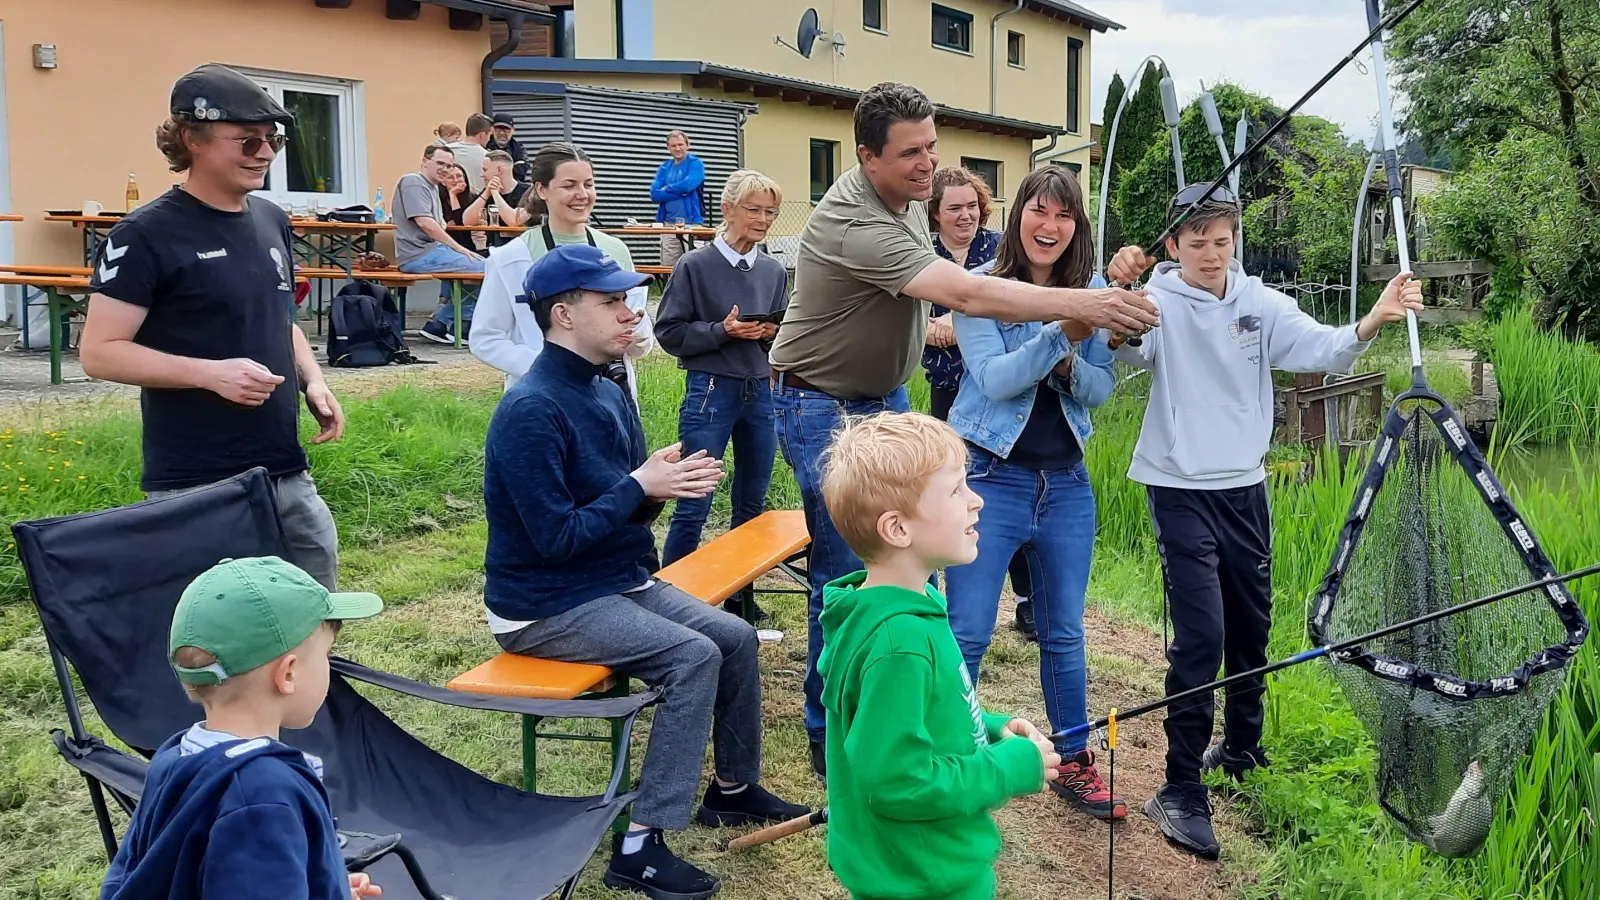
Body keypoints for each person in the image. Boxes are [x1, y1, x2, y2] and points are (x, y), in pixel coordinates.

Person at [767, 81, 1159, 779]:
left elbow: (960, 303)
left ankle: (910, 724)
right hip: (820, 403)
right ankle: (837, 745)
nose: (929, 164)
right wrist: (1084, 306)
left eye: (933, 147)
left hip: (884, 395)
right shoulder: (855, 220)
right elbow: (972, 291)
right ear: (866, 157)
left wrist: (1098, 293)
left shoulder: (908, 203)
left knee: (906, 573)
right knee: (848, 575)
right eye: (912, 152)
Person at [1106, 185, 1426, 860]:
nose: (1212, 256)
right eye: (1197, 245)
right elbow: (1121, 347)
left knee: (1250, 632)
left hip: (1245, 489)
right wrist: (1117, 298)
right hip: (1178, 487)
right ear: (1173, 247)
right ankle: (1179, 785)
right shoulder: (1159, 301)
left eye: (1222, 242)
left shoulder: (1258, 302)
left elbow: (1323, 348)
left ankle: (1243, 749)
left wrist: (1374, 318)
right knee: (1201, 639)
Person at [483, 244, 810, 900]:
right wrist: (640, 484)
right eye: (611, 302)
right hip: (543, 604)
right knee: (692, 657)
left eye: (629, 299)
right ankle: (641, 843)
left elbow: (620, 507)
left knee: (736, 638)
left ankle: (733, 789)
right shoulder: (531, 409)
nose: (632, 313)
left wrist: (665, 486)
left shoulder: (604, 387)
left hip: (611, 581)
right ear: (563, 315)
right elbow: (553, 540)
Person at [81, 63, 346, 591]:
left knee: (317, 615)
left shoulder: (272, 218)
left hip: (285, 472)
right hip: (196, 483)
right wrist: (210, 374)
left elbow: (278, 317)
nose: (266, 154)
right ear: (191, 139)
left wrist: (312, 378)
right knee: (217, 650)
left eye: (275, 140)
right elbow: (100, 352)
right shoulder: (145, 234)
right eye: (248, 141)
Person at [817, 411, 1062, 900]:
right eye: (955, 491)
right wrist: (1010, 767)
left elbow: (915, 712)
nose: (976, 501)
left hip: (916, 867)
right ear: (897, 528)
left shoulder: (906, 605)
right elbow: (898, 782)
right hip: (923, 878)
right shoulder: (899, 642)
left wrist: (987, 727)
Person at [942, 165, 1121, 821]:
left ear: (1077, 226)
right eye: (1039, 212)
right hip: (989, 480)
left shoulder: (1094, 292)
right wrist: (1063, 331)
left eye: (1064, 216)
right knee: (965, 632)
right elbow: (995, 380)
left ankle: (1073, 763)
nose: (1050, 227)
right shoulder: (980, 288)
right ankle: (950, 761)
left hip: (1066, 485)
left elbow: (1100, 389)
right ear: (1018, 215)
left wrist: (1075, 348)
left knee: (1065, 632)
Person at [98, 556, 386, 900]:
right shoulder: (263, 795)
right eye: (326, 654)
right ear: (288, 674)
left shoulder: (174, 759)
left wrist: (328, 886)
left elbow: (127, 878)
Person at [653, 170, 787, 619]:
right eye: (754, 209)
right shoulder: (695, 266)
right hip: (710, 390)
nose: (764, 219)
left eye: (770, 212)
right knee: (695, 497)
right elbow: (668, 332)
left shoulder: (772, 270)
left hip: (760, 389)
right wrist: (721, 330)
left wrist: (769, 332)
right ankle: (673, 596)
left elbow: (780, 337)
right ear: (727, 210)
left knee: (753, 498)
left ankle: (740, 596)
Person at [924, 166, 1037, 642]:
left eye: (972, 206)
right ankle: (946, 597)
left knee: (1009, 495)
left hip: (1001, 394)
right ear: (935, 214)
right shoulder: (921, 255)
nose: (966, 215)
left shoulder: (999, 250)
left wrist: (959, 319)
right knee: (948, 494)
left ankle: (1028, 602)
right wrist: (949, 323)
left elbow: (1016, 305)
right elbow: (917, 327)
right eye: (955, 208)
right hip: (949, 391)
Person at [471, 142, 654, 397]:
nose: (582, 194)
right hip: (543, 399)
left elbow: (638, 343)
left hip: (612, 395)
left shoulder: (616, 251)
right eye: (569, 185)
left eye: (588, 184)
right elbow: (486, 338)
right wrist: (547, 367)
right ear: (541, 189)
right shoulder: (510, 258)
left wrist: (640, 333)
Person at [392, 143, 488, 345]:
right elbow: (426, 223)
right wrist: (460, 249)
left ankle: (443, 324)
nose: (445, 169)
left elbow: (441, 223)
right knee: (485, 268)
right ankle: (454, 324)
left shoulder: (433, 187)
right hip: (418, 254)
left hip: (431, 251)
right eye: (440, 163)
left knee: (485, 266)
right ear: (425, 161)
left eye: (450, 165)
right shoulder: (414, 182)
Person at [649, 130, 706, 268]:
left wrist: (666, 189)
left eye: (680, 144)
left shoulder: (695, 163)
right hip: (668, 223)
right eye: (673, 145)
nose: (677, 148)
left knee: (695, 264)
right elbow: (654, 194)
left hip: (691, 222)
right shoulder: (664, 167)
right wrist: (679, 191)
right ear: (668, 147)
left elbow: (689, 185)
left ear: (687, 145)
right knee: (668, 265)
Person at [463, 150, 531, 247]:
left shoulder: (527, 192)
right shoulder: (487, 192)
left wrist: (495, 192)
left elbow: (513, 221)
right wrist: (487, 192)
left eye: (485, 170)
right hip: (493, 250)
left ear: (499, 170)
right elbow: (467, 221)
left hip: (521, 249)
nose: (482, 174)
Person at [446, 113, 493, 194]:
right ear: (482, 135)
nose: (489, 139)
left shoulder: (446, 150)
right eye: (489, 135)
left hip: (448, 200)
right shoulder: (488, 157)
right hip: (479, 201)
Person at [486, 111, 530, 181]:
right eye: (498, 128)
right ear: (492, 129)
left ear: (513, 130)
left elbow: (521, 173)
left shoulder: (519, 150)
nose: (502, 133)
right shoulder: (484, 147)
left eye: (506, 129)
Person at [437, 162, 474, 228]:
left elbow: (460, 224)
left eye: (459, 176)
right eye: (450, 177)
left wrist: (453, 194)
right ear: (443, 182)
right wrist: (452, 194)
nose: (456, 180)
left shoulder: (474, 199)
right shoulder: (438, 200)